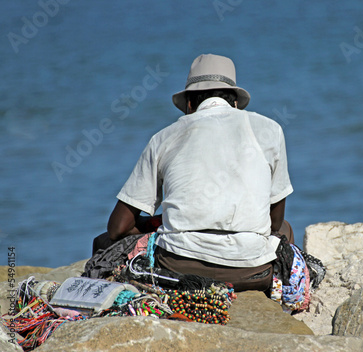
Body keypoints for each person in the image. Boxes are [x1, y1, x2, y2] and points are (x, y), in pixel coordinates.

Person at [92, 54, 294, 291]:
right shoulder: (271, 129)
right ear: (235, 103)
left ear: (189, 105)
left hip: (178, 268)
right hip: (254, 272)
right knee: (286, 229)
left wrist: (158, 223)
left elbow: (117, 228)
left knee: (102, 242)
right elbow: (275, 222)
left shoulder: (163, 138)